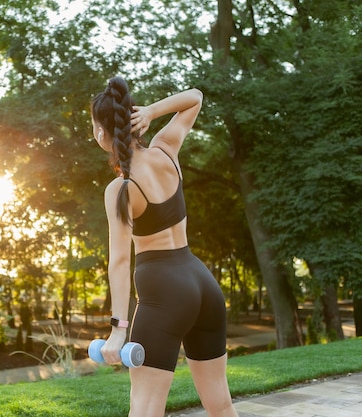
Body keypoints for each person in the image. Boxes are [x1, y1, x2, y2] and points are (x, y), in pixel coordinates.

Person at [90, 76, 238, 417]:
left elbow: (119, 262)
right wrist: (153, 111)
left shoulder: (121, 189)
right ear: (135, 119)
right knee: (220, 401)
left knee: (144, 408)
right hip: (202, 283)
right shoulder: (165, 150)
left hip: (164, 294)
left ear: (101, 133)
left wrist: (118, 329)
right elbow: (195, 97)